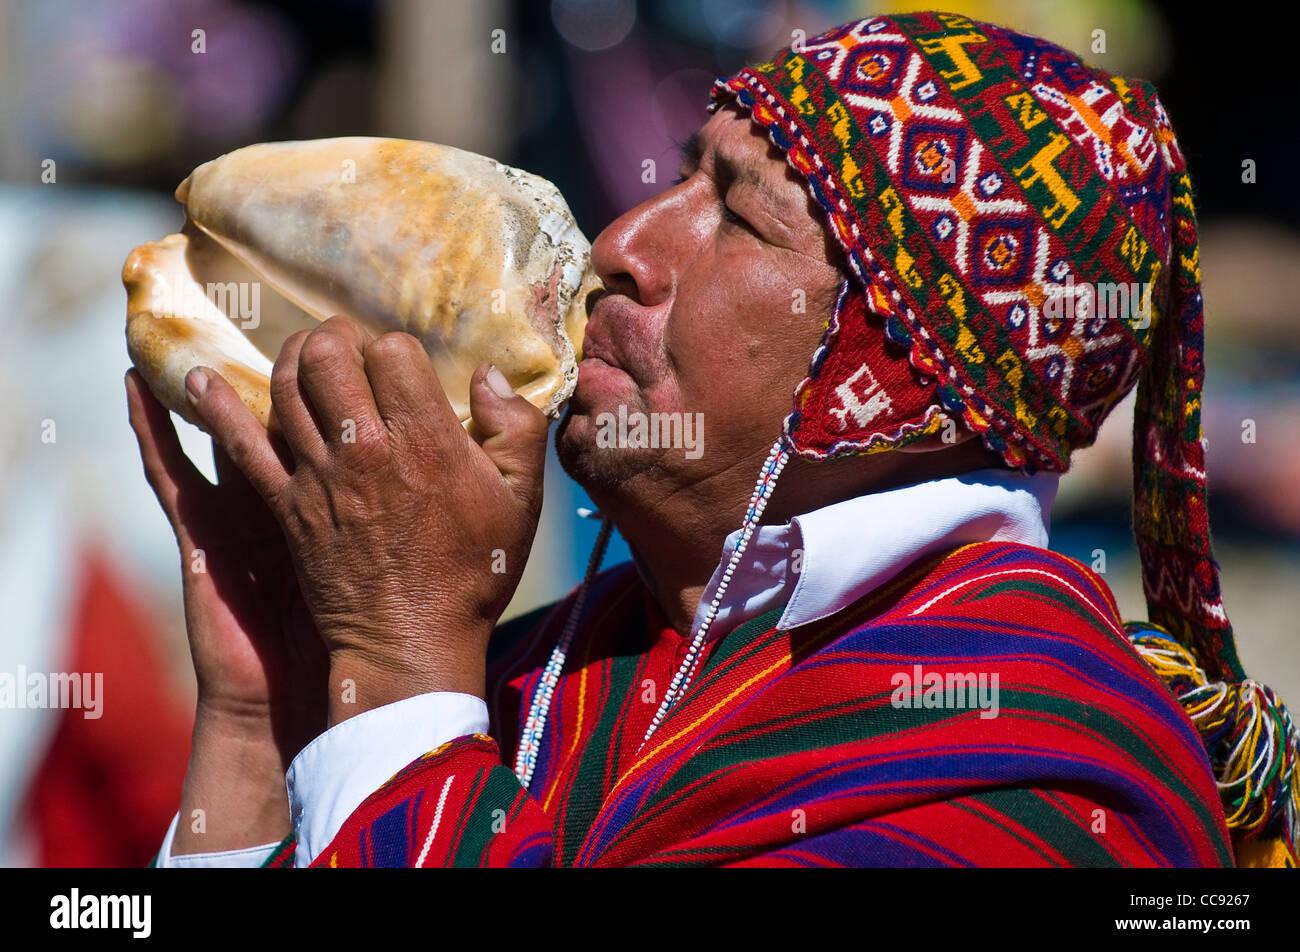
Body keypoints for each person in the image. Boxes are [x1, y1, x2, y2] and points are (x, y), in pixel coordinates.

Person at [131, 11, 1297, 868]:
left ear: (893, 382)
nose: (622, 242)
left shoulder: (1035, 769)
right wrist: (268, 711)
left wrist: (395, 669)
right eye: (681, 173)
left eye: (738, 216)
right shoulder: (552, 666)